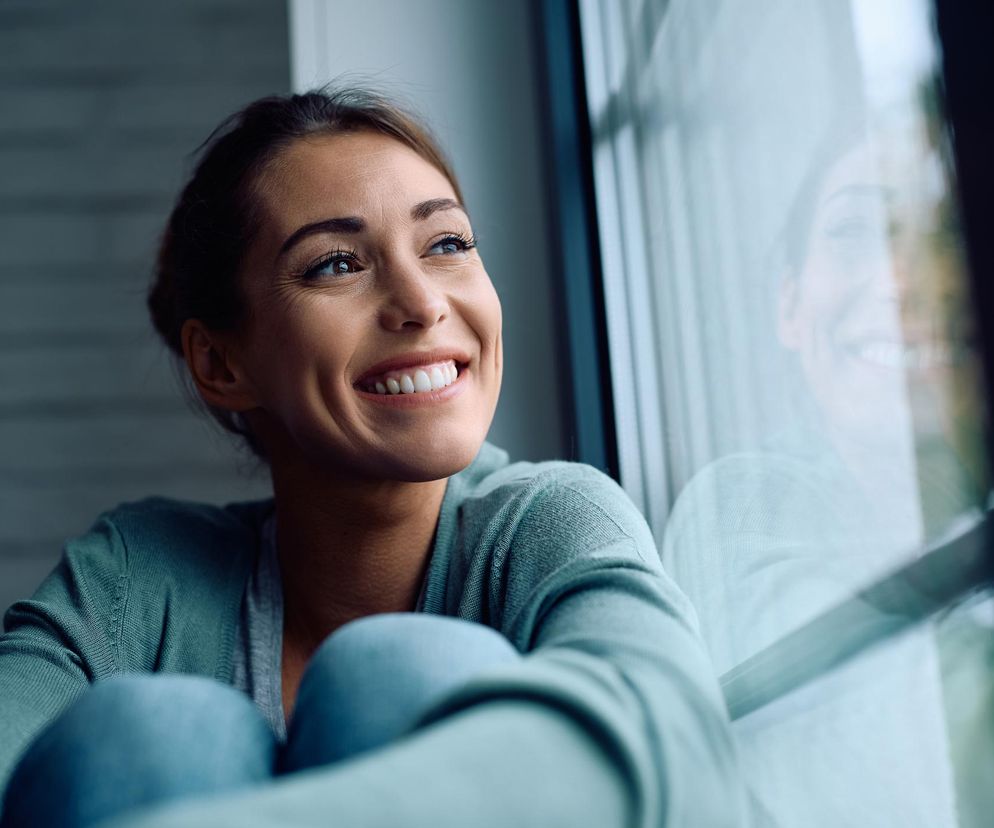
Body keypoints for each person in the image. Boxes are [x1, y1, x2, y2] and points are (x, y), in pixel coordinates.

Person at [0, 88, 742, 828]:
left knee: (399, 675)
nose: (420, 302)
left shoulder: (550, 520)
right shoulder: (138, 580)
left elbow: (685, 759)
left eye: (447, 244)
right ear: (223, 363)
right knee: (152, 735)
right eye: (336, 265)